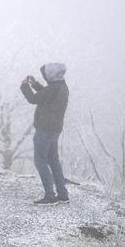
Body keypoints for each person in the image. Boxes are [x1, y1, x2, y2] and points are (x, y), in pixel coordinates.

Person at [20, 63, 70, 205]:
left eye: (46, 74)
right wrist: (35, 84)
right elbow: (46, 95)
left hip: (44, 130)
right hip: (55, 129)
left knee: (40, 161)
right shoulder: (61, 87)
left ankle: (50, 195)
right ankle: (62, 194)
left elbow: (34, 99)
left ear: (51, 75)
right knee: (53, 160)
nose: (45, 76)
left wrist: (25, 86)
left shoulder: (53, 89)